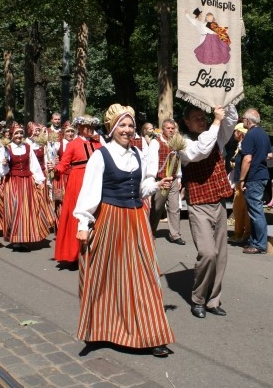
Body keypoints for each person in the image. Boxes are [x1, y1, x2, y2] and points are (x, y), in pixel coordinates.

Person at [74, 104, 175, 358]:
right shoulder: (101, 156)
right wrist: (83, 225)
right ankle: (101, 329)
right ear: (112, 128)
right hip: (109, 219)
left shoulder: (138, 155)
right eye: (123, 125)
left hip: (136, 220)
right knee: (106, 277)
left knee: (145, 277)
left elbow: (140, 189)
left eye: (130, 126)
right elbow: (90, 192)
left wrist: (157, 185)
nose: (128, 130)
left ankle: (153, 336)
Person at [180, 104, 237, 318]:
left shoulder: (216, 136)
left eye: (203, 117)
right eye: (196, 118)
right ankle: (198, 299)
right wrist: (215, 122)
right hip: (198, 204)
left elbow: (230, 121)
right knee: (208, 253)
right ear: (186, 122)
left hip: (219, 202)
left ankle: (213, 300)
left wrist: (224, 102)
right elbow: (200, 152)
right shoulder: (183, 142)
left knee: (221, 255)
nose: (201, 120)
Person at [54, 115, 102, 266]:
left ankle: (95, 250)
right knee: (77, 215)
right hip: (77, 181)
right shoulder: (73, 144)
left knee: (96, 212)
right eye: (87, 126)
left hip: (95, 179)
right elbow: (64, 163)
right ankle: (74, 253)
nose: (90, 130)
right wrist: (55, 170)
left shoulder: (98, 143)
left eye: (92, 127)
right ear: (80, 127)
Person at [0, 123, 51, 250]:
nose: (19, 136)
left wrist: (39, 180)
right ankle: (16, 238)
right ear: (11, 135)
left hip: (27, 181)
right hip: (13, 181)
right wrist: (4, 164)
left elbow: (34, 164)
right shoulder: (6, 148)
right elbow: (1, 170)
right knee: (15, 209)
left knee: (26, 209)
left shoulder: (28, 147)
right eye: (16, 133)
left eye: (21, 133)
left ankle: (24, 237)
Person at [147, 118, 185, 245]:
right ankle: (150, 231)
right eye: (168, 128)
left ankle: (175, 235)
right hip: (161, 179)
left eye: (172, 128)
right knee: (157, 208)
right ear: (163, 129)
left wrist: (179, 177)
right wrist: (152, 178)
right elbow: (152, 161)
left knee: (174, 208)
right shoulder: (156, 142)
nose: (170, 130)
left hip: (173, 179)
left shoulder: (176, 142)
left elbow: (178, 161)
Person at [240, 108, 271, 254]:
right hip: (263, 174)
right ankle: (255, 240)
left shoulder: (250, 135)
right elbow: (269, 155)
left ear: (247, 120)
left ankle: (259, 244)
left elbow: (247, 159)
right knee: (255, 209)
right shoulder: (264, 134)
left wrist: (241, 178)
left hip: (254, 176)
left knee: (256, 210)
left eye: (243, 120)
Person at [229, 123, 251, 242]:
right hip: (238, 180)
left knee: (242, 208)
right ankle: (240, 233)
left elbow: (246, 161)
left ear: (240, 133)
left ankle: (243, 234)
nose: (233, 134)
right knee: (239, 208)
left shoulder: (244, 145)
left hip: (242, 180)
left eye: (235, 131)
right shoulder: (240, 145)